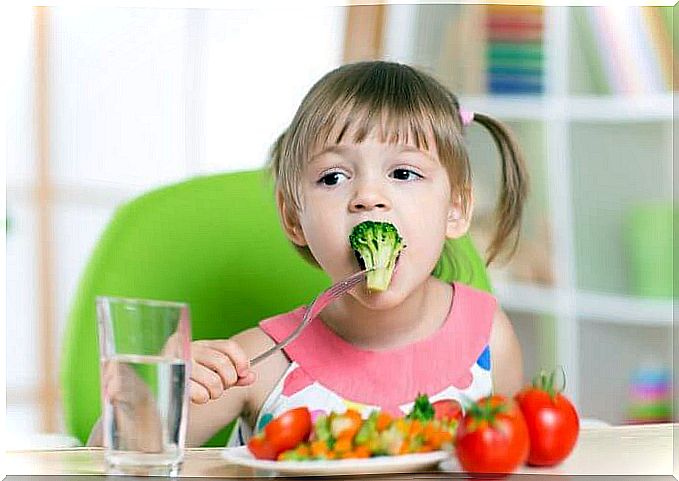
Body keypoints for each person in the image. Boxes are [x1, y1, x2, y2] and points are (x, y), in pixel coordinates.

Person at [90, 60, 527, 449]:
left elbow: (514, 459)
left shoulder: (489, 337)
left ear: (457, 209)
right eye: (334, 177)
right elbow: (117, 460)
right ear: (293, 217)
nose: (368, 197)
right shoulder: (260, 362)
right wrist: (154, 395)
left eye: (403, 172)